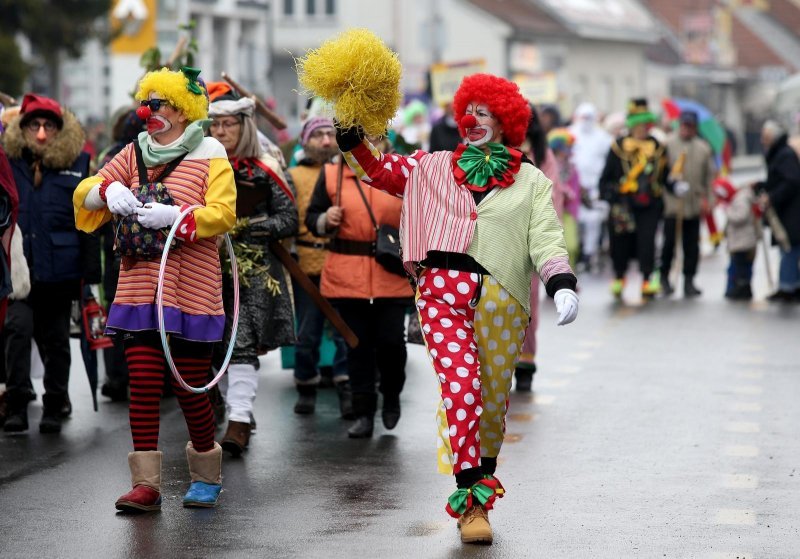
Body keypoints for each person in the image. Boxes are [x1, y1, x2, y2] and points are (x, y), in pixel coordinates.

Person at [336, 73, 578, 544]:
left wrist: (561, 282)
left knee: (490, 403)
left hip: (502, 299)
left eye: (484, 113)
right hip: (441, 291)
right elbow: (382, 171)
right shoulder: (434, 166)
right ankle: (469, 502)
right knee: (462, 388)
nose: (472, 120)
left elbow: (546, 237)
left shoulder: (531, 181)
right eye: (469, 111)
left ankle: (482, 492)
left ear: (506, 122)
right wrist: (351, 137)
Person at [73, 67, 236, 511]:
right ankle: (146, 485)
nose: (148, 112)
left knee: (190, 387)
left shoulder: (211, 151)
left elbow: (223, 214)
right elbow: (84, 191)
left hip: (192, 290)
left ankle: (205, 474)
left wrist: (177, 218)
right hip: (139, 288)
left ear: (183, 111)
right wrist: (106, 193)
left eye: (157, 104)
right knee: (142, 385)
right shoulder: (132, 152)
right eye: (145, 103)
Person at [3, 93, 100, 434]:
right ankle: (15, 404)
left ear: (59, 129)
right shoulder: (8, 162)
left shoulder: (79, 162)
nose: (41, 132)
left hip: (60, 270)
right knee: (17, 331)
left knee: (56, 339)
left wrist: (91, 275)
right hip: (18, 270)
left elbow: (88, 222)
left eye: (48, 125)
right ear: (23, 127)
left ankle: (55, 405)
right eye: (34, 124)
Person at [208, 92, 298, 456]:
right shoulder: (201, 165)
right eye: (215, 124)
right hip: (207, 267)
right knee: (213, 342)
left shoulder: (265, 166)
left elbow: (289, 218)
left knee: (241, 343)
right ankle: (235, 409)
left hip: (254, 268)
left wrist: (248, 227)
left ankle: (240, 421)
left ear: (244, 125)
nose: (221, 130)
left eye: (229, 124)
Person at [306, 132, 412, 438]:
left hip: (391, 272)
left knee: (392, 344)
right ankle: (364, 412)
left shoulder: (400, 171)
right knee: (357, 346)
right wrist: (326, 218)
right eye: (363, 137)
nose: (369, 143)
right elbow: (312, 218)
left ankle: (391, 395)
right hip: (347, 275)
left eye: (376, 137)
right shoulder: (331, 173)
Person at [287, 116, 352, 417]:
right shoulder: (294, 175)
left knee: (344, 330)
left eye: (330, 134)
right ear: (306, 141)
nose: (326, 141)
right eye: (318, 135)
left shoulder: (347, 173)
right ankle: (306, 385)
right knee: (307, 332)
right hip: (306, 263)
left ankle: (346, 385)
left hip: (343, 261)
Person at [514, 106, 569, 392]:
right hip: (497, 243)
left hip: (529, 243)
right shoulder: (497, 147)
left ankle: (525, 363)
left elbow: (552, 195)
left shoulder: (542, 154)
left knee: (528, 307)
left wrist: (545, 241)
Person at [96, 107, 146, 402]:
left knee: (118, 315)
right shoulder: (124, 157)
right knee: (142, 316)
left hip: (115, 251)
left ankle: (116, 378)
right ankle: (129, 378)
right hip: (128, 251)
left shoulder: (109, 154)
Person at [599, 98, 669, 299]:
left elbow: (666, 176)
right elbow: (605, 179)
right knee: (620, 243)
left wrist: (674, 184)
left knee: (647, 243)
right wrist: (612, 194)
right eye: (638, 124)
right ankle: (619, 277)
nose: (642, 129)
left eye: (645, 124)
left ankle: (648, 278)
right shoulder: (618, 147)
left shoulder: (657, 147)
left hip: (649, 204)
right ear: (632, 125)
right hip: (624, 205)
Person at [660, 110, 716, 297]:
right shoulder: (667, 144)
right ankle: (664, 278)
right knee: (669, 244)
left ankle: (689, 280)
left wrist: (709, 199)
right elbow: (661, 173)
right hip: (673, 204)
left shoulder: (703, 148)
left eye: (690, 126)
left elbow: (709, 177)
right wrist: (672, 186)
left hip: (693, 204)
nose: (686, 129)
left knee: (691, 246)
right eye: (684, 125)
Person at [755, 120, 800, 302]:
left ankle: (787, 286)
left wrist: (772, 196)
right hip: (787, 209)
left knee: (788, 246)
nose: (762, 141)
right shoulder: (780, 153)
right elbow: (778, 179)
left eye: (764, 137)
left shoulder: (784, 155)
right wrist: (761, 186)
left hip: (791, 210)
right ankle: (791, 284)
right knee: (788, 247)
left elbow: (791, 181)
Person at [570, 102, 612, 272]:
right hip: (574, 188)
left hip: (595, 187)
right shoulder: (570, 134)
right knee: (576, 222)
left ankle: (588, 254)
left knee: (594, 221)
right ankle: (578, 252)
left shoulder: (603, 138)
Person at [713, 178, 760, 300]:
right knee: (741, 267)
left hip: (743, 242)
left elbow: (741, 216)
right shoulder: (738, 198)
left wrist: (727, 210)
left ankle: (738, 289)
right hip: (741, 240)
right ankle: (740, 289)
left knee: (739, 268)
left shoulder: (740, 199)